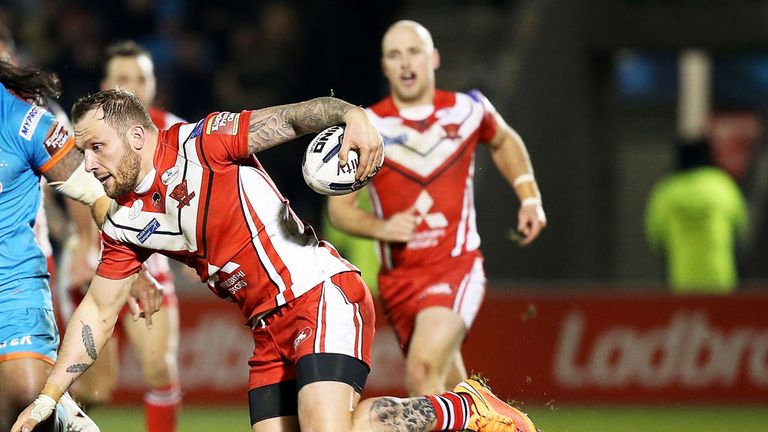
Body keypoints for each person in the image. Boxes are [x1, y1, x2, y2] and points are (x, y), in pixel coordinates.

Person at [13, 88, 539, 432]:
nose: (89, 164)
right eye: (83, 152)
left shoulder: (206, 141)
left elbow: (293, 118)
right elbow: (98, 311)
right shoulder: (125, 223)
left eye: (97, 148)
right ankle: (461, 407)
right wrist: (48, 396)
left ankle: (464, 409)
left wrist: (351, 116)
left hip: (320, 294)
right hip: (267, 331)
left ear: (134, 135)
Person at [327, 20, 548, 397]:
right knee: (454, 393)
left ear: (434, 58)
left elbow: (504, 140)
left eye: (414, 52)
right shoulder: (368, 127)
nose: (405, 63)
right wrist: (382, 228)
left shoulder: (468, 110)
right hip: (399, 282)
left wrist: (529, 197)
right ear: (384, 67)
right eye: (395, 55)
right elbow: (339, 211)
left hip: (455, 266)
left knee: (422, 372)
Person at [0, 56, 163, 432]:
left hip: (12, 286)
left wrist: (130, 266)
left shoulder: (25, 122)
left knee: (23, 392)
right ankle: (68, 415)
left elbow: (96, 194)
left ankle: (57, 413)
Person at [59, 40, 183, 432]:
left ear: (153, 84)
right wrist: (81, 243)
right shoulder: (86, 132)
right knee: (97, 387)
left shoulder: (175, 130)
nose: (133, 87)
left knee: (159, 368)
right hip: (98, 255)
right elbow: (75, 186)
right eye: (123, 79)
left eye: (141, 78)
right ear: (106, 85)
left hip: (151, 256)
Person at [645, 140, 748, 293]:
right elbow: (741, 227)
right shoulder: (721, 184)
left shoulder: (667, 190)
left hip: (681, 280)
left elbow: (655, 237)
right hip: (721, 280)